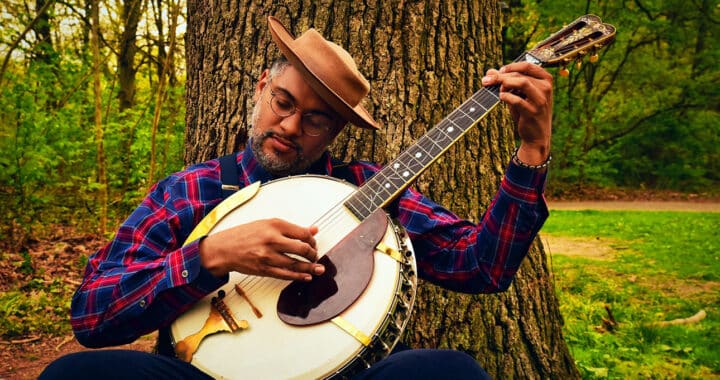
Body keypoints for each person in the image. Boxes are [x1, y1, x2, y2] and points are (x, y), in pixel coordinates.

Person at [40, 15, 552, 379]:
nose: (289, 126)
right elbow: (91, 315)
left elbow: (481, 267)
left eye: (315, 119)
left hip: (339, 375)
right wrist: (210, 255)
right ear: (262, 86)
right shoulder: (189, 191)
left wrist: (532, 149)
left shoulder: (368, 190)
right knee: (76, 373)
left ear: (334, 132)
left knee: (450, 371)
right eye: (282, 102)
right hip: (204, 376)